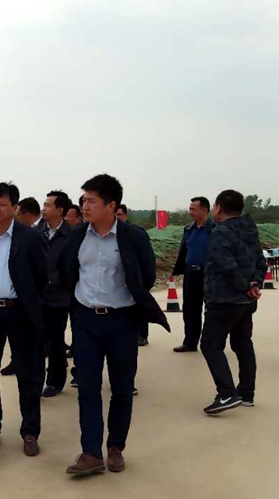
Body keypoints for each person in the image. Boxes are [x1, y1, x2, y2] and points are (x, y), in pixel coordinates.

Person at [61, 174, 170, 476]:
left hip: (122, 320)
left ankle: (115, 447)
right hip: (85, 320)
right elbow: (68, 270)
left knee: (122, 388)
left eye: (91, 201)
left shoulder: (134, 237)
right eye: (83, 200)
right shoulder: (77, 236)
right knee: (87, 387)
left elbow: (146, 276)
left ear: (111, 205)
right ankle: (91, 453)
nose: (85, 206)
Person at [0, 182, 48, 457]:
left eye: (2, 204)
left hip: (21, 313)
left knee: (27, 374)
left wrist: (31, 305)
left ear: (15, 208)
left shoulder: (30, 237)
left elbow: (42, 277)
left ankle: (30, 431)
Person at [200, 190, 266, 415]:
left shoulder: (220, 232)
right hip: (246, 302)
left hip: (224, 300)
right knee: (242, 344)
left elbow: (227, 266)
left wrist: (245, 286)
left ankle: (227, 393)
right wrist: (255, 284)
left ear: (219, 207)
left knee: (210, 344)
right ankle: (247, 393)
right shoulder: (250, 229)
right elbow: (260, 262)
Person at [0, 196, 43, 377]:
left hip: (29, 299)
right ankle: (16, 361)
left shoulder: (35, 234)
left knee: (35, 342)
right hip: (2, 304)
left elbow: (42, 272)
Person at [40, 191, 72, 398]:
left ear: (60, 210)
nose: (44, 209)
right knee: (36, 340)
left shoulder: (72, 235)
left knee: (55, 339)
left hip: (60, 296)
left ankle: (55, 380)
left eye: (48, 205)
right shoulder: (37, 232)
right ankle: (35, 380)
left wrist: (56, 281)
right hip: (38, 295)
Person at [172, 197, 214, 353]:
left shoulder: (215, 229)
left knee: (211, 309)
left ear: (205, 210)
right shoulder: (188, 229)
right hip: (191, 273)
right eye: (190, 209)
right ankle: (190, 342)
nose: (190, 212)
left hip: (209, 274)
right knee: (190, 309)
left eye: (193, 209)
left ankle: (211, 343)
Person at [116, 204, 150, 348]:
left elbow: (146, 260)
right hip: (119, 279)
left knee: (139, 306)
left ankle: (142, 335)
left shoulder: (136, 233)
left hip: (136, 277)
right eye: (115, 215)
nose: (117, 218)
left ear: (126, 216)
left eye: (119, 215)